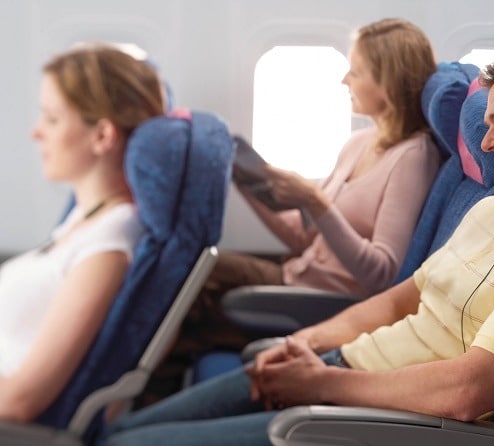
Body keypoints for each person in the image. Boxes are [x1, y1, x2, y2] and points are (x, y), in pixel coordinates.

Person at [101, 49, 494, 446]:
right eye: (485, 125)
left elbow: (468, 392)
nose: (485, 144)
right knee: (122, 432)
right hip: (345, 368)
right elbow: (402, 298)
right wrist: (308, 342)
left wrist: (322, 384)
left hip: (374, 416)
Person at [140, 17, 442, 405]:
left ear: (389, 81)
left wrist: (315, 202)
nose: (344, 81)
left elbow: (380, 275)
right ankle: (137, 402)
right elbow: (304, 238)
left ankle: (140, 408)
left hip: (323, 305)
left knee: (183, 308)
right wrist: (249, 182)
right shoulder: (360, 142)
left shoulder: (414, 158)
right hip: (294, 274)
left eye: (356, 71)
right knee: (189, 267)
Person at [0, 44, 164, 422]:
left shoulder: (108, 245)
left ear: (102, 135)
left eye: (52, 119)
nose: (35, 133)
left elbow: (17, 403)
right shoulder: (86, 217)